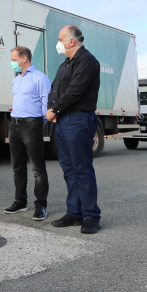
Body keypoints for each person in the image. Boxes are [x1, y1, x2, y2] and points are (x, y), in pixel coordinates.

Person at [46, 26, 102, 234]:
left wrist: (55, 109)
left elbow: (75, 91)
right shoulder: (66, 63)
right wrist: (53, 109)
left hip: (78, 120)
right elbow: (56, 88)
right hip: (64, 120)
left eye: (61, 39)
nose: (58, 43)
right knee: (69, 169)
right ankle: (74, 212)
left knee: (82, 169)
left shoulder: (86, 60)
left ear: (71, 42)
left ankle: (91, 215)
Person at [4, 46, 51, 220]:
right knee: (18, 168)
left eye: (14, 58)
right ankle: (20, 201)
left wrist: (38, 123)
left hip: (32, 125)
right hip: (15, 125)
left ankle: (41, 205)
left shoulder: (40, 78)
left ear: (24, 58)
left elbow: (46, 103)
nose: (12, 62)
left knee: (38, 169)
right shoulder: (15, 80)